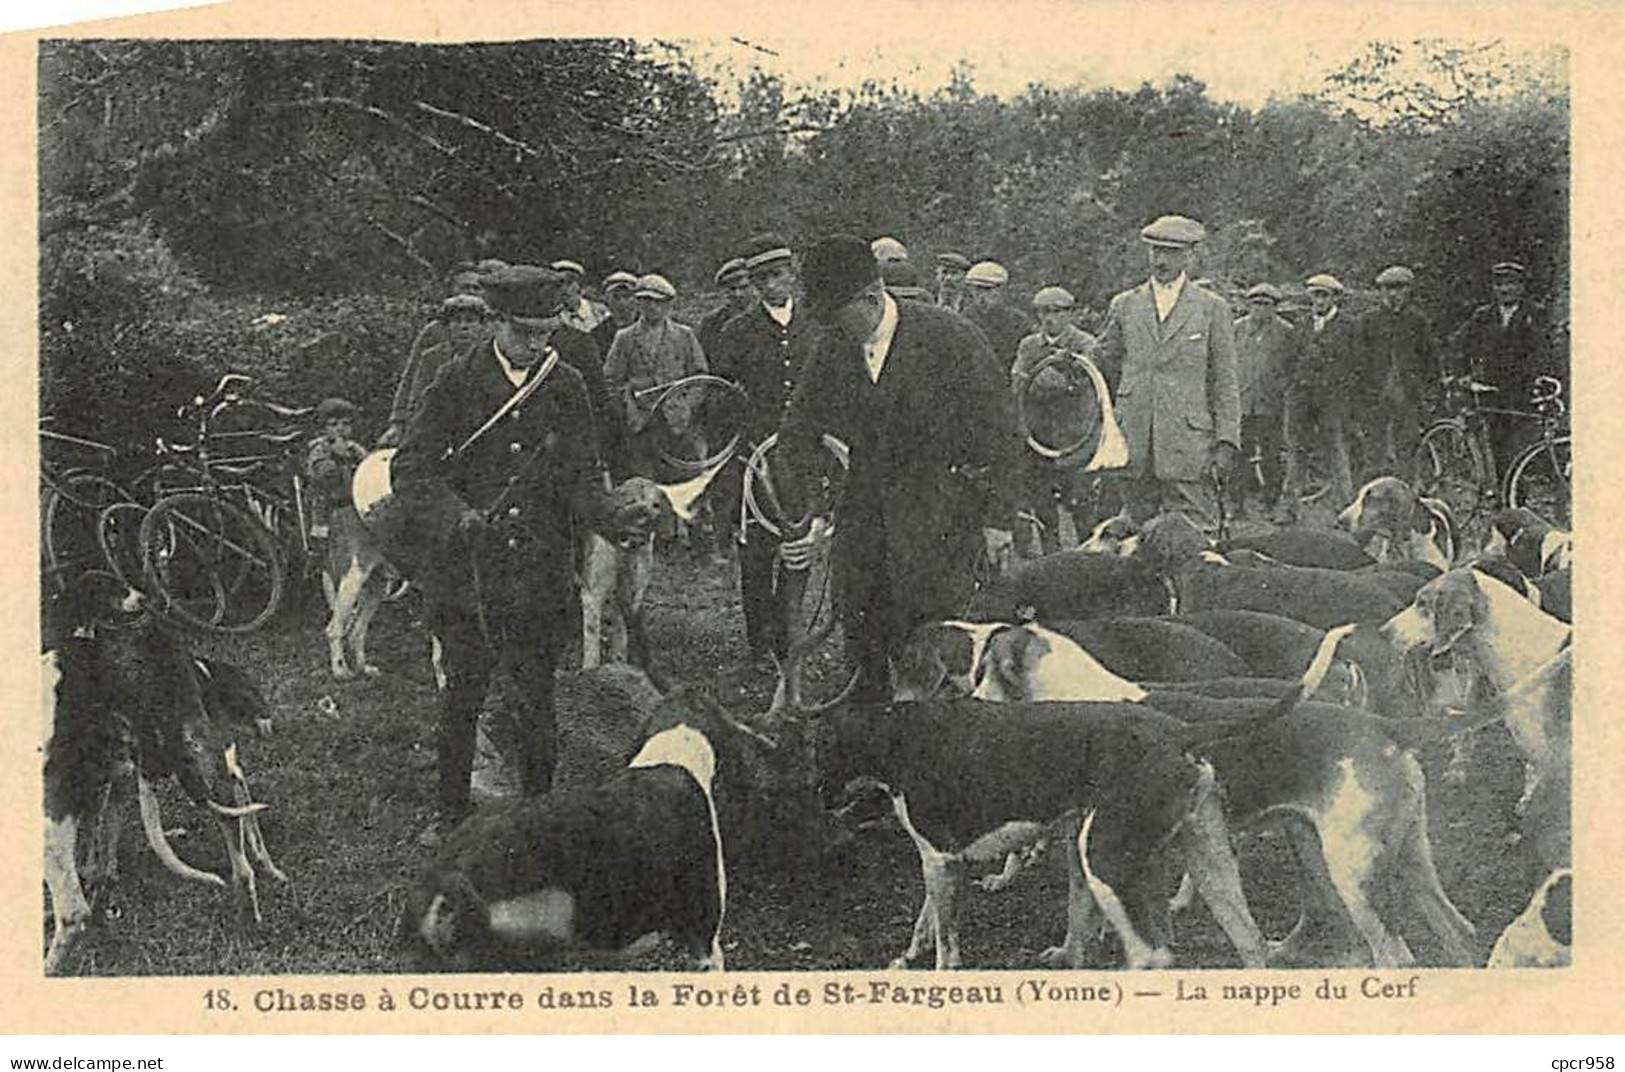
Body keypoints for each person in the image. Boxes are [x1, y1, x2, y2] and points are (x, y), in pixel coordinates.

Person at [389, 265, 627, 844]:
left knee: (537, 699)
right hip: (469, 573)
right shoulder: (455, 380)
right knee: (463, 696)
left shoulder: (564, 383)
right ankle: (450, 814)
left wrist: (614, 515)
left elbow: (582, 475)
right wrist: (454, 515)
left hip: (539, 571)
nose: (538, 343)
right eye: (525, 332)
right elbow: (409, 469)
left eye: (547, 332)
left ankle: (539, 814)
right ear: (495, 322)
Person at [775, 235, 1021, 701]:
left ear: (870, 298)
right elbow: (796, 434)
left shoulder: (951, 338)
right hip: (862, 533)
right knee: (865, 649)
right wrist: (818, 504)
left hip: (941, 524)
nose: (830, 329)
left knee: (936, 654)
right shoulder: (832, 348)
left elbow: (1003, 433)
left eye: (837, 317)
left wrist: (998, 519)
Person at [1091, 214, 1240, 530]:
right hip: (1134, 443)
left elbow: (1225, 382)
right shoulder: (1125, 305)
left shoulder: (1212, 308)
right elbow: (1102, 362)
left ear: (1189, 256)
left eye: (1171, 252)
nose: (1161, 260)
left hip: (1188, 445)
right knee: (1133, 536)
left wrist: (1227, 442)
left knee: (1196, 535)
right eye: (1155, 251)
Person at [713, 232, 818, 659]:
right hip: (756, 459)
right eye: (761, 280)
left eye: (777, 275)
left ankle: (789, 633)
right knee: (756, 554)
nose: (771, 285)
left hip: (805, 457)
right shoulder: (737, 331)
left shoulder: (816, 324)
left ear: (791, 274)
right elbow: (719, 400)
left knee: (800, 545)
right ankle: (761, 642)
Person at [1449, 260, 1562, 478]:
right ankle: (1505, 500)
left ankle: (1518, 498)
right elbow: (1458, 345)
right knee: (1498, 449)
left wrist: (1540, 380)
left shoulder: (1536, 314)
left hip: (1524, 393)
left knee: (1523, 449)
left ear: (1521, 287)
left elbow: (1544, 353)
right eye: (1499, 284)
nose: (1504, 289)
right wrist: (1462, 375)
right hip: (1492, 392)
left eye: (1511, 283)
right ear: (1493, 288)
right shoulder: (1483, 316)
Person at [1011, 285, 1100, 554]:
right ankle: (1052, 559)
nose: (1049, 318)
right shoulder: (1029, 345)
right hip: (1039, 438)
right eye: (1042, 312)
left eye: (1057, 312)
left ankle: (1088, 559)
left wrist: (1056, 380)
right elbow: (1018, 381)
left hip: (1075, 438)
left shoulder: (1086, 344)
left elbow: (1088, 381)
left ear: (1070, 314)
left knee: (1081, 503)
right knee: (1042, 503)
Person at [602, 273, 710, 478]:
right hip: (640, 423)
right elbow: (610, 379)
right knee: (644, 479)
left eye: (657, 302)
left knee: (683, 476)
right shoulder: (624, 337)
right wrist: (626, 408)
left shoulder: (684, 335)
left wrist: (687, 405)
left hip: (677, 422)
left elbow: (700, 376)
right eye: (645, 301)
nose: (651, 307)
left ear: (668, 304)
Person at [1278, 273, 1360, 520]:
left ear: (1335, 298)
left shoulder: (1348, 327)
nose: (1319, 301)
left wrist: (1343, 393)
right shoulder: (1301, 325)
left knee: (1336, 450)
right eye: (1315, 295)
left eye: (1324, 295)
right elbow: (1287, 361)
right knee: (1296, 451)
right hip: (1300, 398)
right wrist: (1291, 385)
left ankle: (1345, 508)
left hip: (1332, 400)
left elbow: (1356, 365)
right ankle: (1288, 508)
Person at [379, 269, 490, 447]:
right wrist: (398, 422)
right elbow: (412, 381)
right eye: (464, 287)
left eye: (475, 288)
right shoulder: (433, 339)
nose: (464, 326)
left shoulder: (495, 334)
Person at [1359, 265, 1440, 473]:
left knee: (1408, 445)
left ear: (1408, 291)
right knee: (1373, 445)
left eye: (1398, 288)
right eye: (1387, 288)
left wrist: (1428, 390)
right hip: (1376, 392)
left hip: (1408, 392)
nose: (1393, 294)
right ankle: (1375, 492)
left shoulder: (1417, 320)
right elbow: (1358, 359)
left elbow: (1430, 358)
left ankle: (1407, 490)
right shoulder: (1369, 320)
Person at [1229, 282, 1296, 518]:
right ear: (1248, 305)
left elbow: (1292, 369)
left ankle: (1270, 503)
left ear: (1275, 308)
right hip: (1242, 402)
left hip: (1270, 404)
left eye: (1266, 305)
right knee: (1239, 456)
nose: (1260, 309)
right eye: (1256, 304)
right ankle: (1237, 505)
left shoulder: (1286, 332)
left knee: (1271, 456)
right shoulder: (1236, 329)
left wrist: (1281, 390)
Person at [306, 396, 369, 539]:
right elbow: (324, 476)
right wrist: (339, 457)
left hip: (354, 506)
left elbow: (367, 468)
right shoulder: (320, 449)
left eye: (346, 424)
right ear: (324, 429)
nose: (340, 429)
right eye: (333, 425)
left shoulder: (355, 449)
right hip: (327, 510)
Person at [961, 260, 1031, 375]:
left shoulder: (1018, 322)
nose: (982, 296)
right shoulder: (964, 319)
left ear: (1001, 290)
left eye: (988, 290)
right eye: (977, 290)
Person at [697, 257, 757, 365]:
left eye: (744, 287)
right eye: (732, 289)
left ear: (755, 286)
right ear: (723, 291)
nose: (738, 294)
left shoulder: (767, 316)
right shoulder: (711, 323)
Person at [551, 259, 610, 335]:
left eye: (569, 283)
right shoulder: (553, 317)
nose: (564, 289)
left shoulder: (600, 311)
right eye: (559, 284)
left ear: (579, 286)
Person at [591, 270, 640, 359]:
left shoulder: (649, 328)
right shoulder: (599, 334)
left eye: (627, 296)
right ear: (607, 300)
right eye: (616, 297)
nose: (622, 303)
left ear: (637, 300)